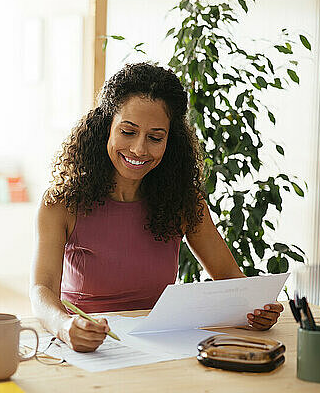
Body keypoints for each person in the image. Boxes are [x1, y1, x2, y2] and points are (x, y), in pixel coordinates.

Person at [30, 63, 284, 353]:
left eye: (155, 138)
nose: (139, 149)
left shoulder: (184, 202)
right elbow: (42, 290)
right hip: (87, 349)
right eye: (128, 131)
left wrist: (257, 310)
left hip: (160, 348)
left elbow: (232, 281)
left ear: (169, 141)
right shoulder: (62, 203)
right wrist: (63, 326)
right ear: (106, 127)